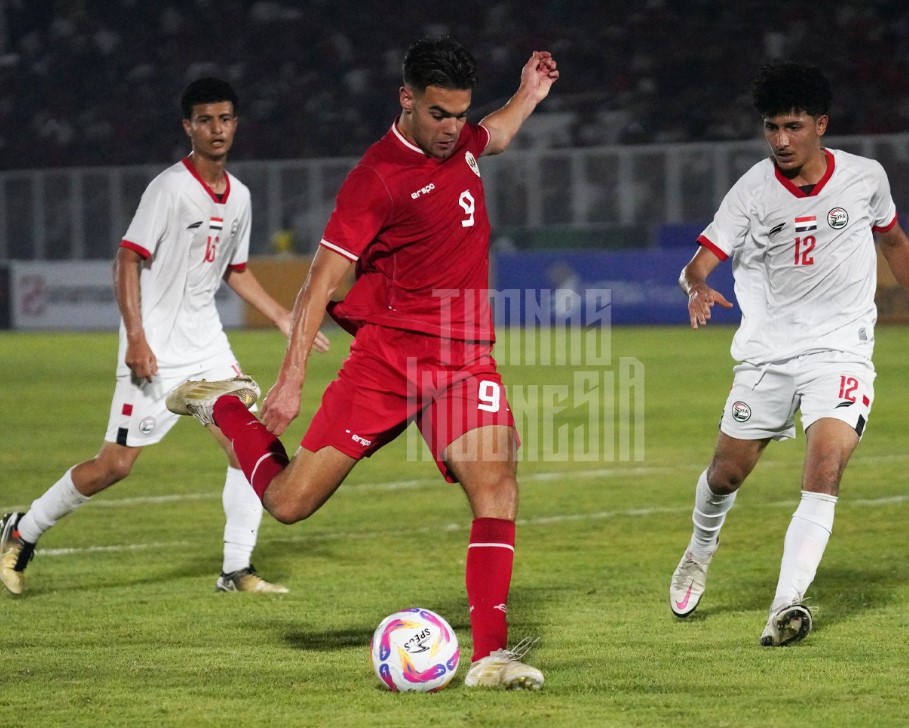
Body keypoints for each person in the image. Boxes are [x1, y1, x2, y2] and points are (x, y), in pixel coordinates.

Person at [163, 37, 558, 690]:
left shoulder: (460, 140)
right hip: (388, 364)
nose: (450, 130)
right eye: (437, 114)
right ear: (406, 99)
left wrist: (529, 95)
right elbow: (318, 285)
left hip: (463, 362)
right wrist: (288, 385)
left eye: (458, 114)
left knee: (497, 486)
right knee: (289, 503)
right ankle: (222, 405)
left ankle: (491, 657)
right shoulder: (375, 178)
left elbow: (497, 134)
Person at [0, 78, 329, 597]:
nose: (216, 129)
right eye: (205, 120)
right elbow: (127, 258)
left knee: (247, 447)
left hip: (207, 343)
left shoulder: (240, 196)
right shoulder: (169, 188)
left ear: (235, 124)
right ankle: (21, 530)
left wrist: (283, 317)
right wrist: (136, 339)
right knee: (115, 466)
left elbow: (235, 270)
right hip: (154, 348)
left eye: (224, 119)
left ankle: (235, 569)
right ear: (188, 127)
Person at [669, 61, 909, 646]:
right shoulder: (751, 192)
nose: (781, 141)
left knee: (825, 471)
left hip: (841, 353)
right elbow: (702, 260)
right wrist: (695, 284)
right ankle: (699, 549)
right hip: (767, 355)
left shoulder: (865, 177)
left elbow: (893, 240)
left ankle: (785, 606)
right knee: (725, 474)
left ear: (820, 124)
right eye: (771, 128)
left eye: (792, 127)